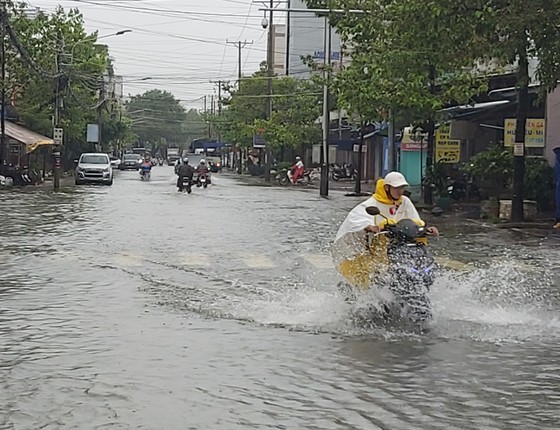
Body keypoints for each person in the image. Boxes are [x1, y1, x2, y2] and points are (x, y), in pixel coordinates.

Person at [332, 171, 439, 289]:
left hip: (400, 244)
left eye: (402, 187)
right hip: (376, 246)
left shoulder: (405, 201)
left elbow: (414, 219)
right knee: (371, 276)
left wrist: (426, 229)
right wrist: (370, 226)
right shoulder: (373, 203)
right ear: (387, 188)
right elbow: (358, 217)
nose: (400, 191)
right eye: (396, 188)